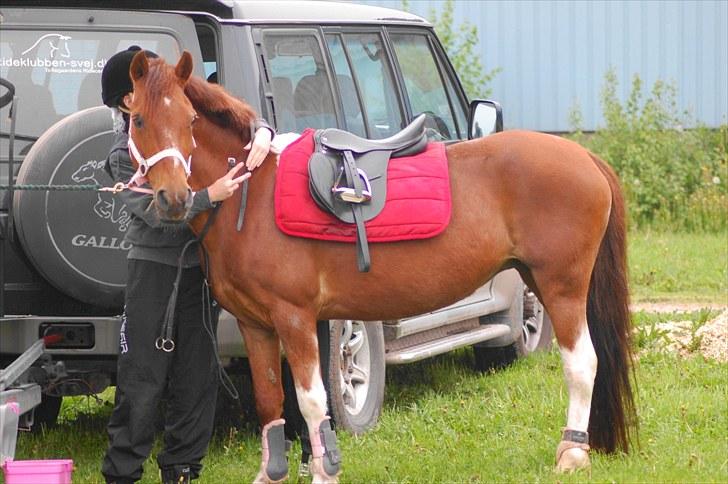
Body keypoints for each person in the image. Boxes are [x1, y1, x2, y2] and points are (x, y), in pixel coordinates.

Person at [99, 46, 274, 484]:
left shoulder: (182, 134)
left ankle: (182, 468)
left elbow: (232, 116)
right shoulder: (126, 155)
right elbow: (159, 214)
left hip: (199, 268)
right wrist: (206, 197)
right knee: (141, 375)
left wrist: (264, 129)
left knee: (197, 373)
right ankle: (123, 471)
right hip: (152, 270)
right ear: (129, 100)